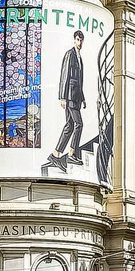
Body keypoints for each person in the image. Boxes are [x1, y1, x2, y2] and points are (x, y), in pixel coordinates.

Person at [45, 30, 87, 172]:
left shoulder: (79, 56)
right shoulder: (70, 54)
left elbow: (80, 81)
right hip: (69, 96)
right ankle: (71, 153)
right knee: (78, 124)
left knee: (69, 125)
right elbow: (64, 75)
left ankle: (55, 154)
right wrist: (62, 97)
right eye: (77, 39)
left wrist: (83, 98)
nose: (79, 42)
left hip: (76, 96)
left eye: (81, 40)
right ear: (74, 40)